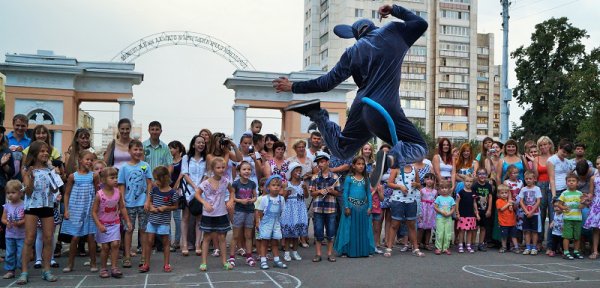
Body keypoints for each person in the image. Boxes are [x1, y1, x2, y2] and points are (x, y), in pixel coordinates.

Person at [273, 4, 428, 186]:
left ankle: (320, 116)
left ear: (356, 36)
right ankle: (391, 158)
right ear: (373, 27)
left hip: (361, 107)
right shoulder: (393, 31)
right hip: (385, 107)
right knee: (419, 147)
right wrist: (394, 9)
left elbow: (326, 83)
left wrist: (293, 86)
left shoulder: (352, 52)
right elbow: (420, 23)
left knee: (342, 150)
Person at [17, 141, 60, 284]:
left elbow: (55, 190)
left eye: (47, 151)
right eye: (42, 151)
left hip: (47, 205)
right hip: (32, 207)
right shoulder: (27, 169)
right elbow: (27, 193)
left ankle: (46, 270)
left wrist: (55, 175)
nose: (45, 153)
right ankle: (24, 272)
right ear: (35, 153)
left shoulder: (49, 170)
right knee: (29, 238)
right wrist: (30, 178)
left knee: (48, 238)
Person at [61, 150, 99, 273]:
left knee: (91, 237)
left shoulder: (94, 176)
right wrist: (66, 210)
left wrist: (97, 209)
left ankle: (93, 263)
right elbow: (66, 194)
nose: (89, 162)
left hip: (89, 209)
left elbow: (97, 193)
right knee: (75, 237)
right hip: (76, 209)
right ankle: (70, 264)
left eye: (92, 160)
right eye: (87, 159)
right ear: (80, 160)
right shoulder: (73, 176)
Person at [118, 140, 153, 269]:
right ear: (129, 151)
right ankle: (127, 256)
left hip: (143, 203)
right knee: (129, 229)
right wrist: (122, 203)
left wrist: (148, 200)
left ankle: (144, 256)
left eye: (140, 149)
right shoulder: (124, 168)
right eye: (135, 149)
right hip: (129, 204)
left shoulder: (145, 166)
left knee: (143, 230)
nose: (138, 152)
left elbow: (149, 183)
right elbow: (121, 186)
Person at [91, 167, 131, 278]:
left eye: (116, 177)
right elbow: (93, 212)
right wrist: (99, 225)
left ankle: (114, 267)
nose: (115, 180)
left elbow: (122, 208)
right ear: (103, 180)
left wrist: (127, 221)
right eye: (112, 177)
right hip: (103, 224)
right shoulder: (99, 195)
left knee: (115, 244)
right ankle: (103, 268)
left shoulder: (118, 192)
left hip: (115, 222)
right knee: (105, 247)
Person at [197, 157, 234, 272]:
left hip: (221, 213)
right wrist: (204, 202)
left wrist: (231, 200)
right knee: (207, 237)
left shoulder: (226, 181)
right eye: (218, 167)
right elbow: (197, 194)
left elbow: (232, 191)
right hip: (208, 214)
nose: (221, 170)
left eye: (223, 167)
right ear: (212, 169)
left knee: (222, 237)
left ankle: (224, 261)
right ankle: (203, 262)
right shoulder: (206, 183)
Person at [139, 166, 179, 273]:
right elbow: (149, 201)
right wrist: (150, 206)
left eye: (157, 179)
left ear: (164, 178)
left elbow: (176, 206)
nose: (155, 181)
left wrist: (166, 208)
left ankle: (166, 264)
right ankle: (146, 264)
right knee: (149, 241)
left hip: (164, 221)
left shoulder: (172, 193)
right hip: (152, 220)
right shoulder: (155, 189)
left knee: (165, 242)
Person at [142, 121, 173, 253]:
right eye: (152, 129)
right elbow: (141, 164)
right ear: (149, 130)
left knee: (162, 213)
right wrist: (150, 179)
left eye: (157, 129)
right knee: (147, 213)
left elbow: (170, 165)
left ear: (161, 131)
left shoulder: (165, 147)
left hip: (161, 186)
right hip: (147, 184)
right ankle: (144, 244)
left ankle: (162, 244)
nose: (155, 131)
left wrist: (162, 179)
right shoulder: (143, 146)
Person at [335, 156, 375, 257]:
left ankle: (363, 251)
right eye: (358, 164)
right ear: (353, 166)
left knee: (363, 229)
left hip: (363, 208)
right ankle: (347, 251)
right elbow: (345, 194)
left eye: (362, 164)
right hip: (351, 208)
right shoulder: (349, 178)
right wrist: (347, 207)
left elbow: (369, 194)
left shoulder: (366, 178)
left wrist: (370, 207)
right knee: (350, 229)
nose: (361, 166)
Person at [385, 162, 422, 257]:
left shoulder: (414, 169)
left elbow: (419, 185)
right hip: (398, 200)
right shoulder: (396, 168)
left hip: (411, 200)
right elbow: (389, 183)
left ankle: (416, 248)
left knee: (411, 224)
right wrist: (400, 186)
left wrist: (416, 184)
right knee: (395, 224)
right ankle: (389, 248)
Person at [309, 152, 340, 262]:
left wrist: (332, 191)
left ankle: (330, 253)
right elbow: (311, 193)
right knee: (318, 231)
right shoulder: (315, 177)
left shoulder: (335, 177)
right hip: (318, 208)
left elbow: (338, 193)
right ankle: (318, 254)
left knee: (331, 231)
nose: (320, 165)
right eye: (318, 163)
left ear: (328, 162)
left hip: (331, 208)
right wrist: (319, 191)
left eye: (322, 162)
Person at [180, 135, 206, 257]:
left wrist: (200, 187)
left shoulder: (206, 159)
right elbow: (184, 173)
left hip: (202, 191)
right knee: (185, 217)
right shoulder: (186, 157)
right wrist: (194, 187)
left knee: (199, 218)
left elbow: (207, 174)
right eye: (198, 142)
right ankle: (184, 244)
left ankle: (198, 245)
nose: (201, 145)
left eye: (203, 143)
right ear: (193, 144)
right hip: (188, 191)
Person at [229, 161, 257, 267]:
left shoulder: (252, 183)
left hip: (249, 210)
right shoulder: (235, 183)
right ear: (239, 171)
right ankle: (232, 257)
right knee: (235, 235)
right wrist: (241, 201)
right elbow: (232, 197)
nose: (247, 171)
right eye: (244, 169)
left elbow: (255, 196)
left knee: (248, 235)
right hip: (239, 210)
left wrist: (251, 200)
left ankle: (249, 256)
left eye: (249, 169)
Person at [256, 175, 287, 270]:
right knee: (264, 242)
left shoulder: (281, 199)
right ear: (268, 187)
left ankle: (276, 260)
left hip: (276, 223)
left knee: (275, 242)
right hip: (266, 223)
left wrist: (280, 223)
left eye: (278, 185)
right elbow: (260, 212)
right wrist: (260, 223)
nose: (276, 187)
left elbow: (282, 211)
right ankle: (263, 260)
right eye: (273, 185)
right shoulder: (265, 199)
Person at [281, 162, 308, 261]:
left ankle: (295, 252)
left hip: (299, 208)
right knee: (288, 233)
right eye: (296, 171)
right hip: (289, 208)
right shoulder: (286, 184)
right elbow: (283, 198)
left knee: (297, 233)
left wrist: (305, 189)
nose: (298, 172)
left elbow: (306, 196)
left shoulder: (303, 184)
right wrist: (286, 194)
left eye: (299, 171)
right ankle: (287, 253)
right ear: (291, 172)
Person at [557, 173, 587, 260]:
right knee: (567, 236)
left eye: (573, 181)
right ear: (566, 183)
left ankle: (576, 251)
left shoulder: (579, 193)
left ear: (577, 183)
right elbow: (559, 204)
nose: (571, 182)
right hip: (568, 218)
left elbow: (581, 207)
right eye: (569, 181)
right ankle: (566, 252)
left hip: (577, 218)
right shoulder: (564, 193)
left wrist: (584, 202)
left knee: (577, 236)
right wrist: (563, 207)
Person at [533, 136, 553, 254]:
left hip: (552, 185)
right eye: (540, 145)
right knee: (540, 215)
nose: (543, 147)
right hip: (540, 186)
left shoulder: (554, 157)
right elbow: (535, 176)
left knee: (552, 214)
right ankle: (539, 241)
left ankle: (552, 243)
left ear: (550, 145)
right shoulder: (537, 158)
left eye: (545, 144)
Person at [2, 180, 25, 279]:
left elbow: (27, 219)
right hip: (10, 234)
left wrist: (20, 222)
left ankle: (22, 269)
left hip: (21, 234)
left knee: (21, 254)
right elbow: (3, 218)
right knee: (9, 253)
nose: (10, 195)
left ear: (20, 193)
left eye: (13, 192)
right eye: (8, 193)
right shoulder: (7, 206)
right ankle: (10, 270)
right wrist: (7, 222)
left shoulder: (24, 205)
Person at [0, 128, 16, 261]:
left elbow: (11, 172)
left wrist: (5, 166)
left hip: (1, 187)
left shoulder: (6, 151)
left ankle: (3, 249)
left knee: (2, 218)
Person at [518, 170, 542, 255]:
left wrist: (531, 211)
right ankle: (528, 247)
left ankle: (534, 247)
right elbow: (521, 201)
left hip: (535, 213)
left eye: (530, 179)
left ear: (534, 179)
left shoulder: (537, 189)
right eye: (526, 179)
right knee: (527, 231)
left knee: (534, 231)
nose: (528, 180)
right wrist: (526, 211)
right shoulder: (523, 189)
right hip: (526, 213)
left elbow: (538, 201)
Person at [167, 140, 185, 252]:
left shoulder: (183, 160)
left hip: (178, 190)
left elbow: (183, 173)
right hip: (167, 189)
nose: (170, 150)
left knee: (177, 217)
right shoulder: (169, 161)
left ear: (178, 148)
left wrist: (176, 185)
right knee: (167, 216)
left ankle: (177, 241)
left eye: (172, 148)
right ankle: (168, 241)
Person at [455, 175, 479, 253]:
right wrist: (457, 213)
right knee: (462, 231)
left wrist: (477, 214)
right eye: (467, 181)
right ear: (464, 182)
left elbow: (474, 203)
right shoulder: (461, 192)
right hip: (462, 215)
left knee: (470, 231)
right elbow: (457, 203)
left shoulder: (473, 192)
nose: (468, 183)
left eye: (470, 182)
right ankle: (461, 244)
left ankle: (468, 245)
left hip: (471, 215)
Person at [472, 168, 493, 252]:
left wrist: (489, 209)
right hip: (477, 209)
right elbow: (473, 199)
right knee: (475, 227)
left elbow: (490, 197)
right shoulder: (474, 186)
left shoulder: (488, 185)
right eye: (480, 174)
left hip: (485, 209)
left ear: (486, 175)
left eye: (484, 174)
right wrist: (476, 211)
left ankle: (481, 243)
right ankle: (473, 244)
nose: (482, 176)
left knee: (483, 227)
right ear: (477, 175)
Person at [584, 156, 600, 259]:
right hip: (597, 204)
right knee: (596, 230)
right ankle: (595, 250)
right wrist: (586, 199)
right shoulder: (593, 178)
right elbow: (591, 193)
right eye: (597, 164)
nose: (599, 165)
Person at [434, 180, 455, 255]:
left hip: (448, 218)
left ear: (449, 189)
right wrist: (441, 212)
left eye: (446, 188)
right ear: (439, 189)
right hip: (440, 217)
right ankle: (438, 248)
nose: (444, 189)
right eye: (442, 188)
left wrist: (450, 213)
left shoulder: (451, 199)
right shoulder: (439, 198)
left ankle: (446, 247)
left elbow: (453, 208)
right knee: (440, 232)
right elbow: (435, 207)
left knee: (447, 233)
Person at [496, 184, 519, 253]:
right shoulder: (499, 201)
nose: (504, 194)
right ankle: (504, 247)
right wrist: (508, 204)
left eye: (506, 193)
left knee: (514, 236)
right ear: (499, 194)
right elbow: (501, 209)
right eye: (502, 193)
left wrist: (513, 204)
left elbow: (514, 209)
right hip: (504, 223)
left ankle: (516, 247)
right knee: (504, 236)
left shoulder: (509, 201)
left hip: (512, 222)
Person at [7, 114, 30, 180]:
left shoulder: (30, 142)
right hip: (6, 175)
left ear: (27, 126)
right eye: (17, 125)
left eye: (23, 126)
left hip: (23, 176)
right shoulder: (5, 139)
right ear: (13, 125)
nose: (20, 128)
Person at [418, 173, 437, 250]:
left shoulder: (435, 191)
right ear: (425, 180)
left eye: (431, 179)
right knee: (421, 228)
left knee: (429, 228)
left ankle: (426, 243)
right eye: (428, 179)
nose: (429, 181)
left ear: (434, 181)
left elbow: (436, 201)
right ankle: (418, 243)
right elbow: (419, 201)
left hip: (431, 211)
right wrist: (419, 212)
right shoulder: (422, 190)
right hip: (423, 210)